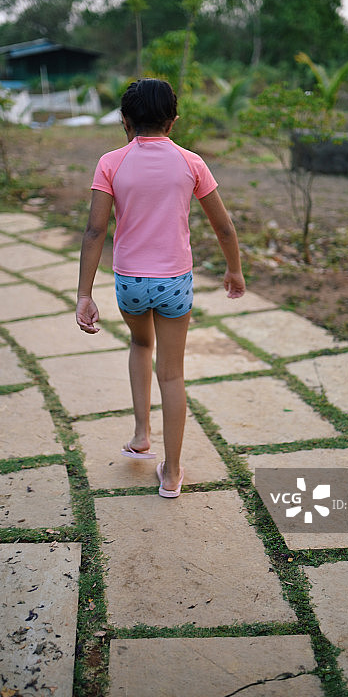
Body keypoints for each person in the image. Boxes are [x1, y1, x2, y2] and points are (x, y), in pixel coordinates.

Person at [76, 78, 245, 498]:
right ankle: (171, 473)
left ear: (125, 121)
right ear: (172, 121)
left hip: (130, 281)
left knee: (139, 345)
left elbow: (95, 230)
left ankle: (140, 435)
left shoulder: (110, 163)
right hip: (175, 284)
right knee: (171, 374)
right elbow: (223, 226)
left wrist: (84, 294)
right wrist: (234, 271)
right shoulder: (192, 163)